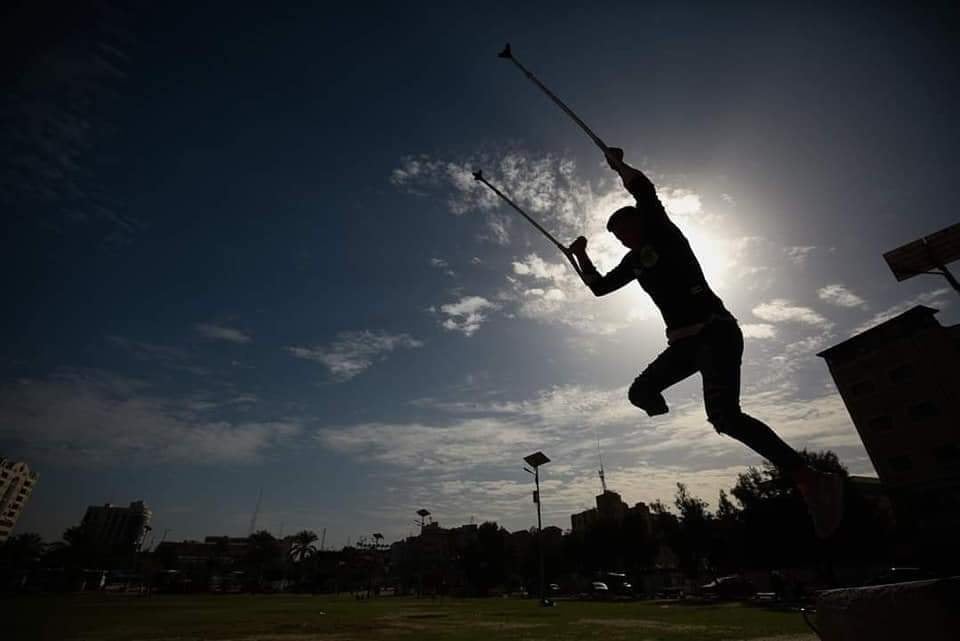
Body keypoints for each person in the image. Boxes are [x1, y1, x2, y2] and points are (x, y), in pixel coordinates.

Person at [565, 148, 844, 538]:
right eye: (618, 235)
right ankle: (677, 409)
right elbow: (599, 289)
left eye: (628, 227)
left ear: (640, 221)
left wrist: (619, 166)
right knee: (640, 391)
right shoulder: (633, 262)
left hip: (715, 332)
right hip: (684, 346)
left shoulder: (663, 232)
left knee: (726, 417)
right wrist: (581, 257)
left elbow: (645, 191)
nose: (625, 236)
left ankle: (809, 478)